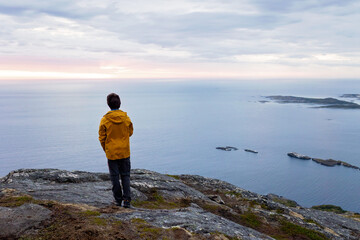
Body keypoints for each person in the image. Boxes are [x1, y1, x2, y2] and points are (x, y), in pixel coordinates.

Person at [98, 93, 133, 208]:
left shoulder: (105, 120)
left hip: (112, 153)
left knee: (114, 177)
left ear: (108, 104)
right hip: (124, 151)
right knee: (125, 176)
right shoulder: (125, 118)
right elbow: (130, 132)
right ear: (120, 103)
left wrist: (107, 149)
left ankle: (118, 201)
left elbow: (102, 138)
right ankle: (127, 201)